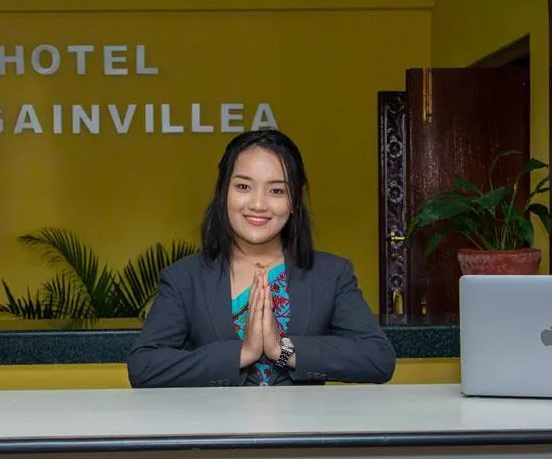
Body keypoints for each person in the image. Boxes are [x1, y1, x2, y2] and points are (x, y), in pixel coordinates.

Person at [127, 129, 396, 388]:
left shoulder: (330, 274)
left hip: (303, 432)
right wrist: (241, 354)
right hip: (216, 431)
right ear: (223, 192)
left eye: (276, 190)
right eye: (243, 186)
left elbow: (378, 358)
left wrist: (283, 350)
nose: (258, 204)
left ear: (294, 201)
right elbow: (144, 366)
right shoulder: (184, 278)